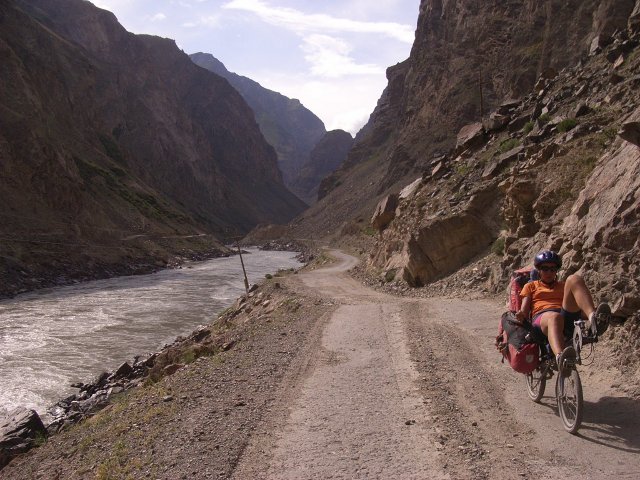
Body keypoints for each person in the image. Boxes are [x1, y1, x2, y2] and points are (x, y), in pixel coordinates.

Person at [516, 250, 611, 370]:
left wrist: (589, 313)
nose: (549, 272)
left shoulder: (563, 285)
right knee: (554, 317)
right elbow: (524, 311)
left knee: (574, 279)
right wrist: (520, 315)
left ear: (556, 270)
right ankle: (560, 357)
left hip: (563, 317)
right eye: (545, 269)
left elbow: (575, 308)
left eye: (553, 269)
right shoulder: (531, 286)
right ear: (538, 270)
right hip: (541, 320)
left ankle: (594, 320)